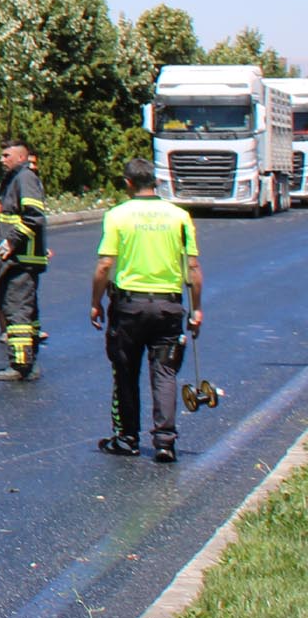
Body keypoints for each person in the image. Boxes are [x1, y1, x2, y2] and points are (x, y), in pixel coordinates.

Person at [92, 159, 203, 462]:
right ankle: (165, 441)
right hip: (169, 306)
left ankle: (128, 438)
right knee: (165, 372)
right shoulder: (179, 216)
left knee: (126, 371)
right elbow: (192, 268)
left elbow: (104, 265)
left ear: (127, 183)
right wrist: (196, 310)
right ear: (155, 182)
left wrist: (95, 302)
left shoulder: (117, 215)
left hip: (129, 307)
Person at [0, 138, 50, 379]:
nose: (2, 160)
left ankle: (21, 365)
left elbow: (34, 216)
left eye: (6, 155)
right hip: (15, 259)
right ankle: (28, 362)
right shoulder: (15, 178)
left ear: (21, 157)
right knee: (21, 308)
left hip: (21, 258)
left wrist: (12, 241)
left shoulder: (25, 178)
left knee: (17, 310)